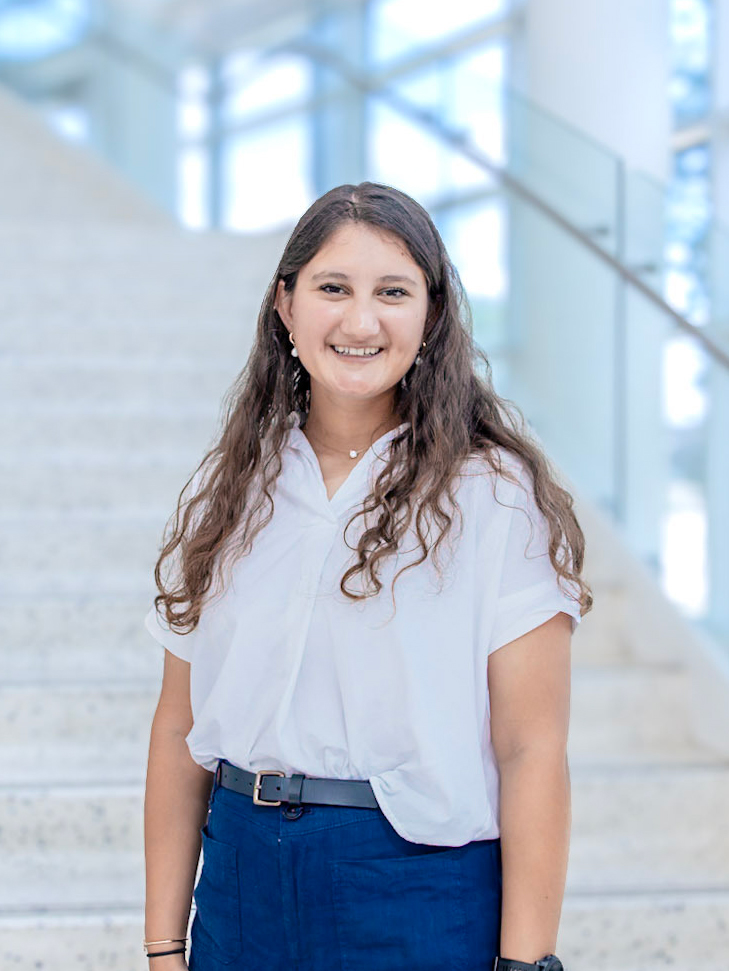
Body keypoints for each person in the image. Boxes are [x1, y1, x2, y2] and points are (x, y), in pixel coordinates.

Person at [142, 181, 593, 971]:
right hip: (239, 881)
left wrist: (527, 965)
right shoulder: (235, 484)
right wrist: (162, 945)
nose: (360, 320)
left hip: (415, 886)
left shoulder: (490, 494)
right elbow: (179, 728)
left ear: (432, 312)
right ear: (285, 305)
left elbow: (531, 746)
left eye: (392, 291)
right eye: (331, 288)